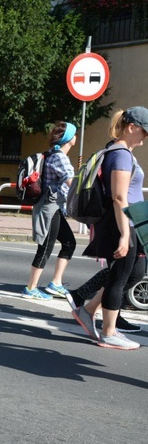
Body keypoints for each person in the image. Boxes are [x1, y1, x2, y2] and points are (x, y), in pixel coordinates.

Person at [71, 106, 147, 350]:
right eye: (144, 131)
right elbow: (118, 197)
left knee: (134, 273)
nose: (146, 137)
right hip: (122, 223)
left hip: (129, 221)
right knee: (120, 275)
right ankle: (109, 332)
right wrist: (125, 234)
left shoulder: (119, 151)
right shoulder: (121, 154)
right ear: (131, 128)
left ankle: (89, 310)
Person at [23, 121, 77, 300]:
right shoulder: (59, 157)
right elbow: (72, 183)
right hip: (49, 207)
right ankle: (31, 287)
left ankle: (56, 283)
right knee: (45, 247)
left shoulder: (53, 154)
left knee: (69, 243)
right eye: (74, 134)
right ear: (70, 139)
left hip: (54, 207)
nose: (76, 137)